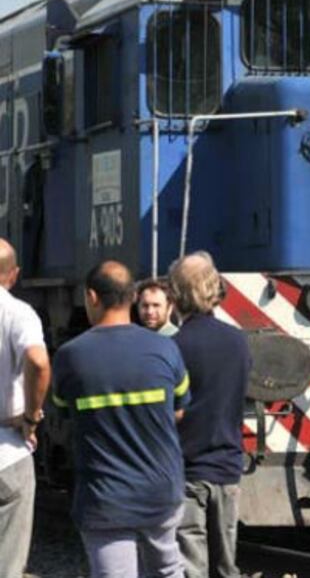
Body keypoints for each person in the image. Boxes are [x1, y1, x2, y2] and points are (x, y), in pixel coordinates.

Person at [51, 261, 190, 578]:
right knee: (168, 569)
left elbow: (64, 412)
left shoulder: (70, 356)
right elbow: (179, 410)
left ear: (91, 297)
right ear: (133, 296)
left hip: (105, 495)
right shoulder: (165, 348)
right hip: (161, 489)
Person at [169, 252, 251, 578]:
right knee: (226, 566)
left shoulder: (174, 347)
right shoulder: (238, 342)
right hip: (228, 467)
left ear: (176, 296)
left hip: (188, 469)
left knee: (191, 566)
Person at [0, 239, 50, 578]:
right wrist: (31, 417)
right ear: (14, 274)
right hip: (7, 449)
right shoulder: (18, 313)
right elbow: (38, 360)